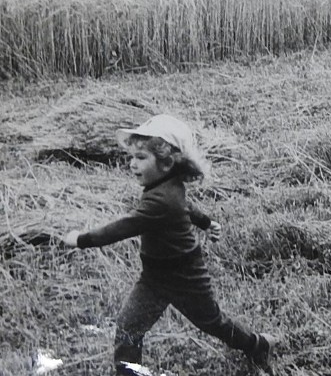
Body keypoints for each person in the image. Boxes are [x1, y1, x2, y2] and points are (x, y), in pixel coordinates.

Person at [62, 115, 273, 376]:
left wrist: (81, 239)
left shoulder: (160, 201)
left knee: (212, 322)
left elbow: (122, 228)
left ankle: (257, 344)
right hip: (153, 277)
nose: (132, 164)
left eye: (141, 158)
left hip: (186, 276)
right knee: (129, 327)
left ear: (166, 162)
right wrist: (206, 222)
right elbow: (186, 206)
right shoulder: (166, 185)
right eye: (133, 157)